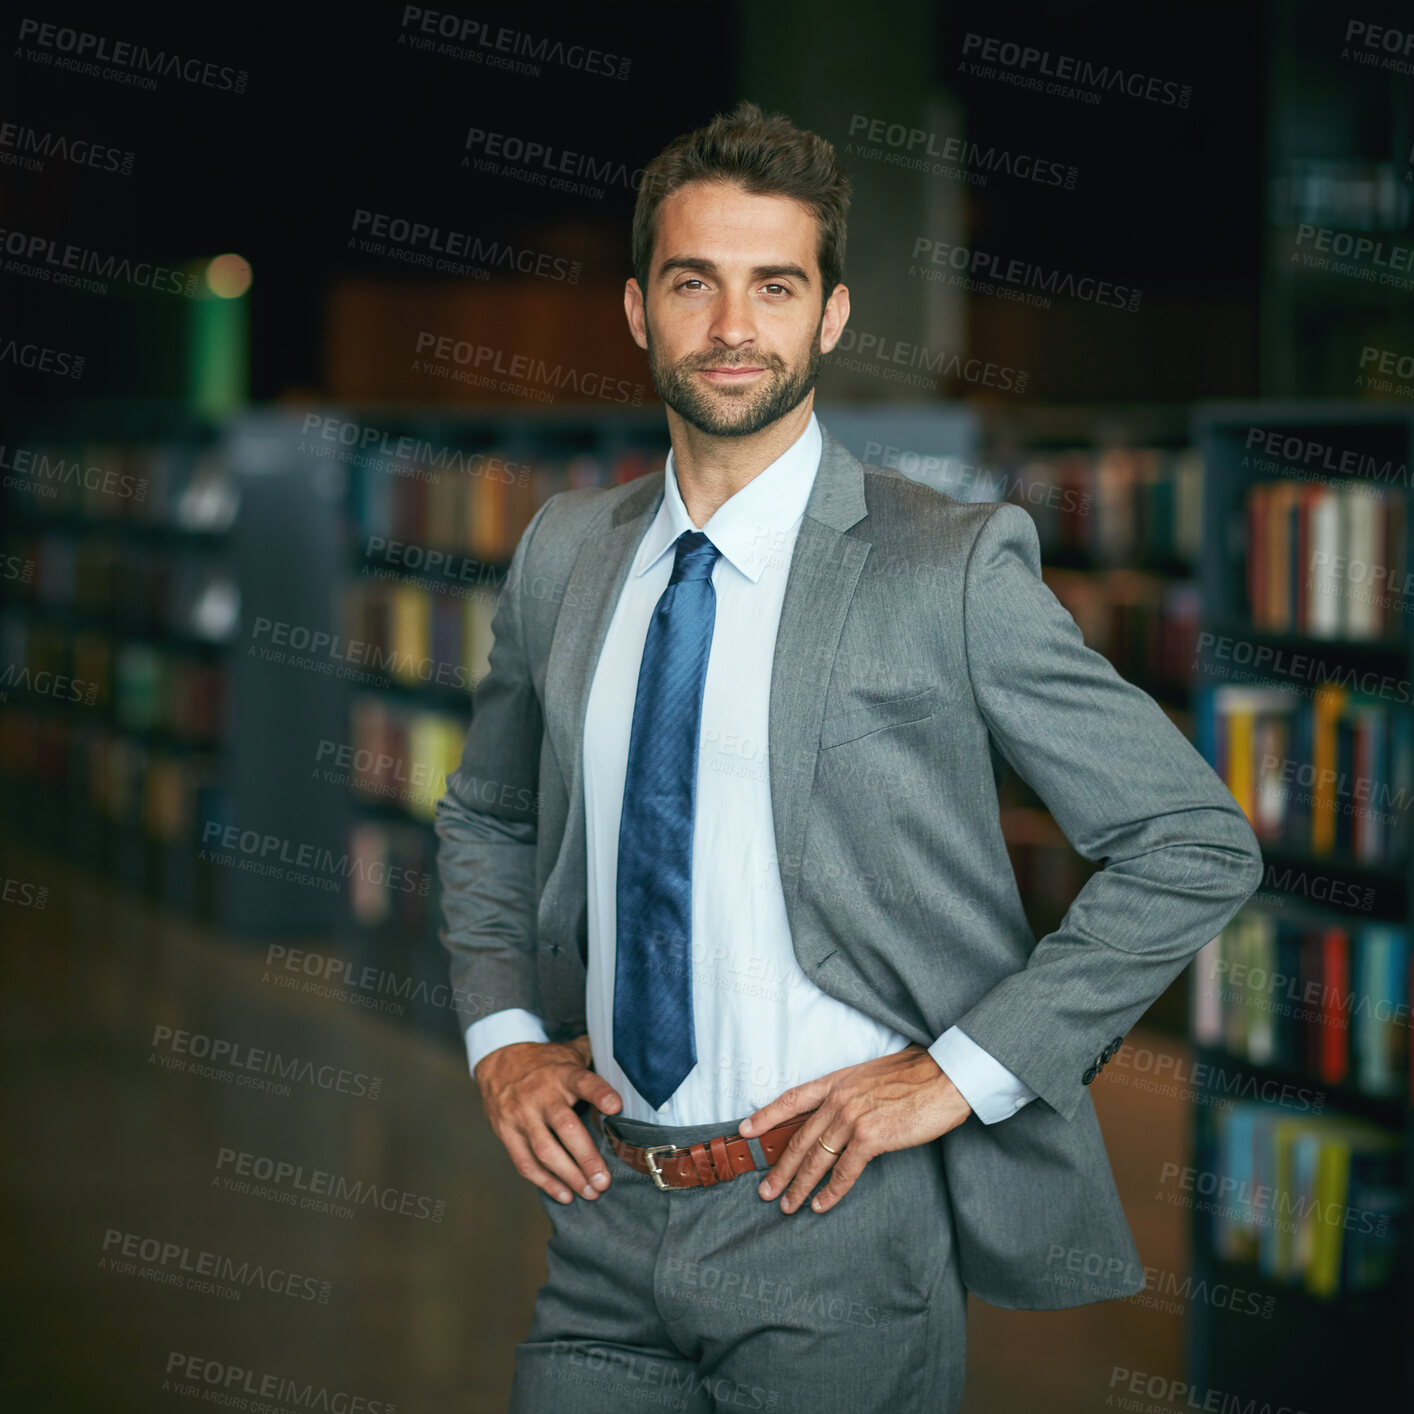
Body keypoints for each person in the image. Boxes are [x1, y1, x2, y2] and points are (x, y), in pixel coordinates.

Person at [434, 98, 1263, 1414]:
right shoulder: (563, 553)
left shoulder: (948, 561)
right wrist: (499, 1036)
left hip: (835, 1225)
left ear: (828, 316)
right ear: (637, 309)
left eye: (774, 285)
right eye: (692, 282)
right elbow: (483, 812)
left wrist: (957, 1071)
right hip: (599, 1212)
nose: (729, 326)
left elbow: (1191, 840)